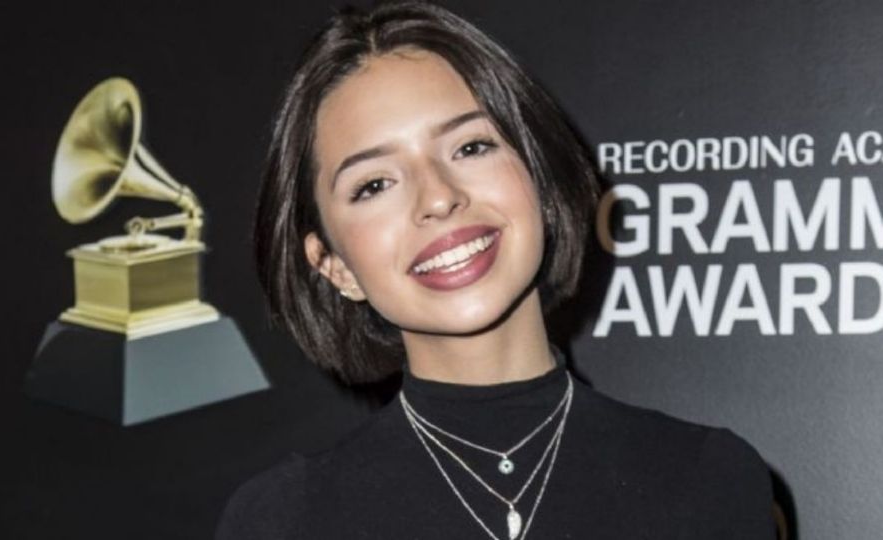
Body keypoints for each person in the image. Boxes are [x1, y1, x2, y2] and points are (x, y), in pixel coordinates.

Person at [218, 1, 775, 538]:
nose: (438, 198)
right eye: (374, 184)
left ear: (539, 175)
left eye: (471, 147)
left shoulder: (708, 478)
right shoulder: (283, 520)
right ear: (335, 266)